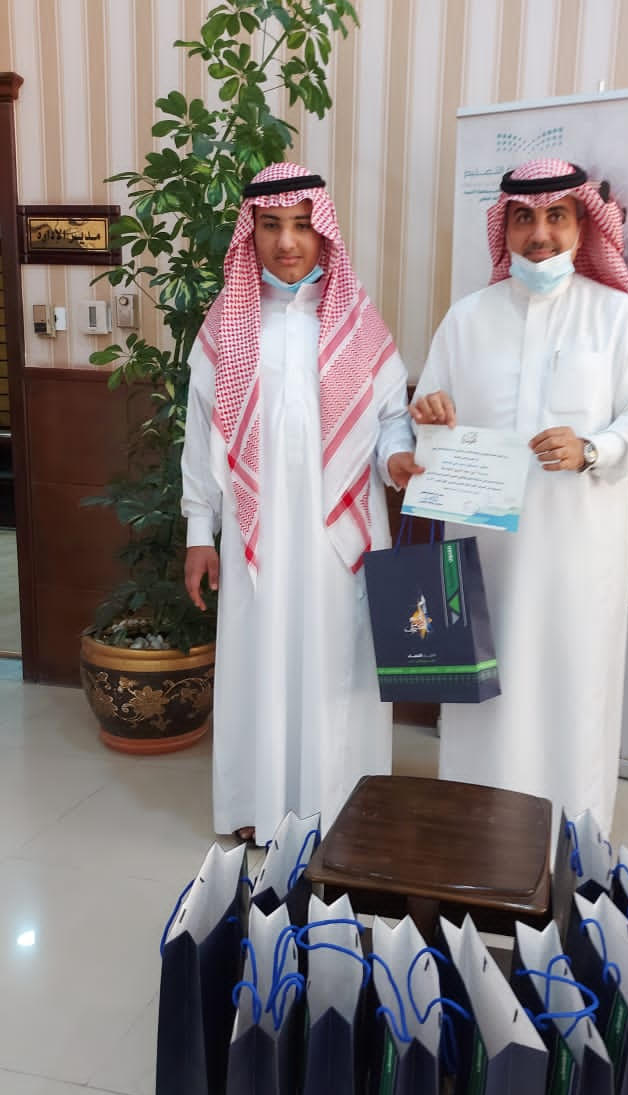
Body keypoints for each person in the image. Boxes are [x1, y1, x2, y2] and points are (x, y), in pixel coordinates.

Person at [410, 158, 628, 834]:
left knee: (570, 688)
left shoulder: (617, 317)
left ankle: (568, 836)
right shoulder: (467, 319)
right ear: (505, 227)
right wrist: (430, 413)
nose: (540, 233)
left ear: (582, 225)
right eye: (524, 217)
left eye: (556, 216)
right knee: (482, 699)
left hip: (577, 552)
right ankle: (475, 831)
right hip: (484, 554)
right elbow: (429, 415)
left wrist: (593, 449)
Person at [181, 162, 419, 844]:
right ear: (250, 234)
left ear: (324, 234)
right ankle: (257, 807)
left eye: (301, 225)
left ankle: (342, 809)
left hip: (339, 540)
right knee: (258, 661)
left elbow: (391, 422)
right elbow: (201, 436)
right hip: (254, 537)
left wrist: (397, 459)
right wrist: (199, 531)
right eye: (270, 226)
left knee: (337, 666)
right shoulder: (227, 327)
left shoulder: (358, 325)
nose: (287, 242)